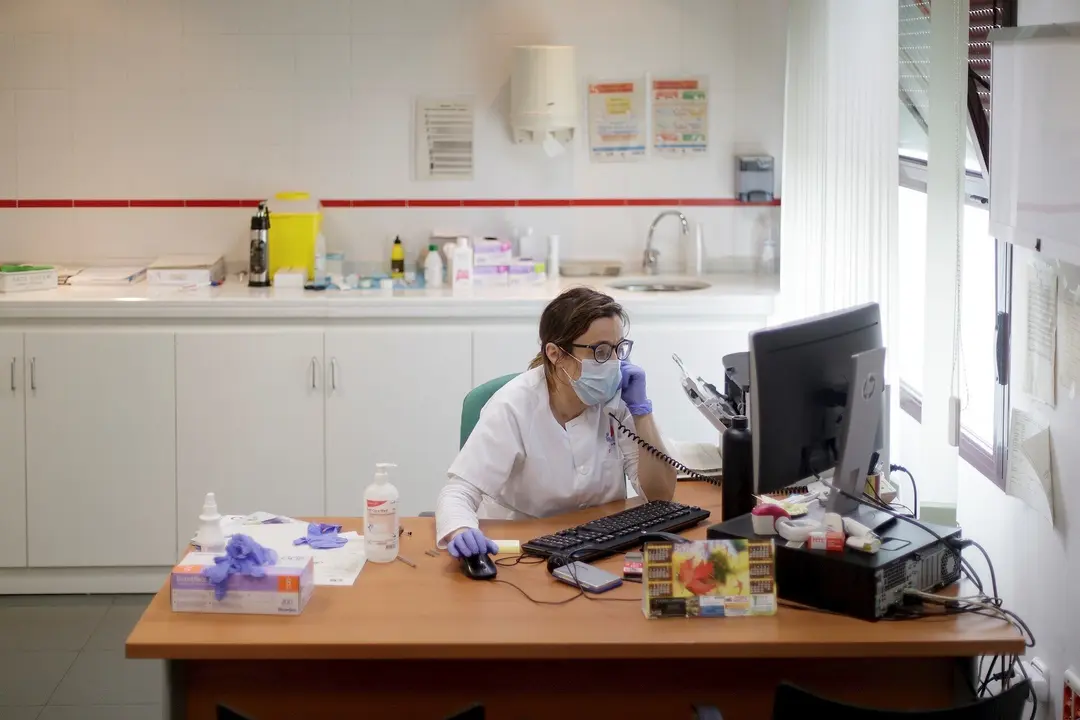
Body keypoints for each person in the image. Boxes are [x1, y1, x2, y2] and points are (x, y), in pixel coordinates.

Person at [436, 287, 677, 558]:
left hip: (603, 544)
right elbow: (458, 492)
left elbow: (660, 496)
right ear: (555, 354)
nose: (613, 363)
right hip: (526, 551)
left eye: (618, 349)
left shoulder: (618, 398)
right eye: (600, 351)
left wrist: (642, 412)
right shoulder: (513, 405)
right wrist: (460, 530)